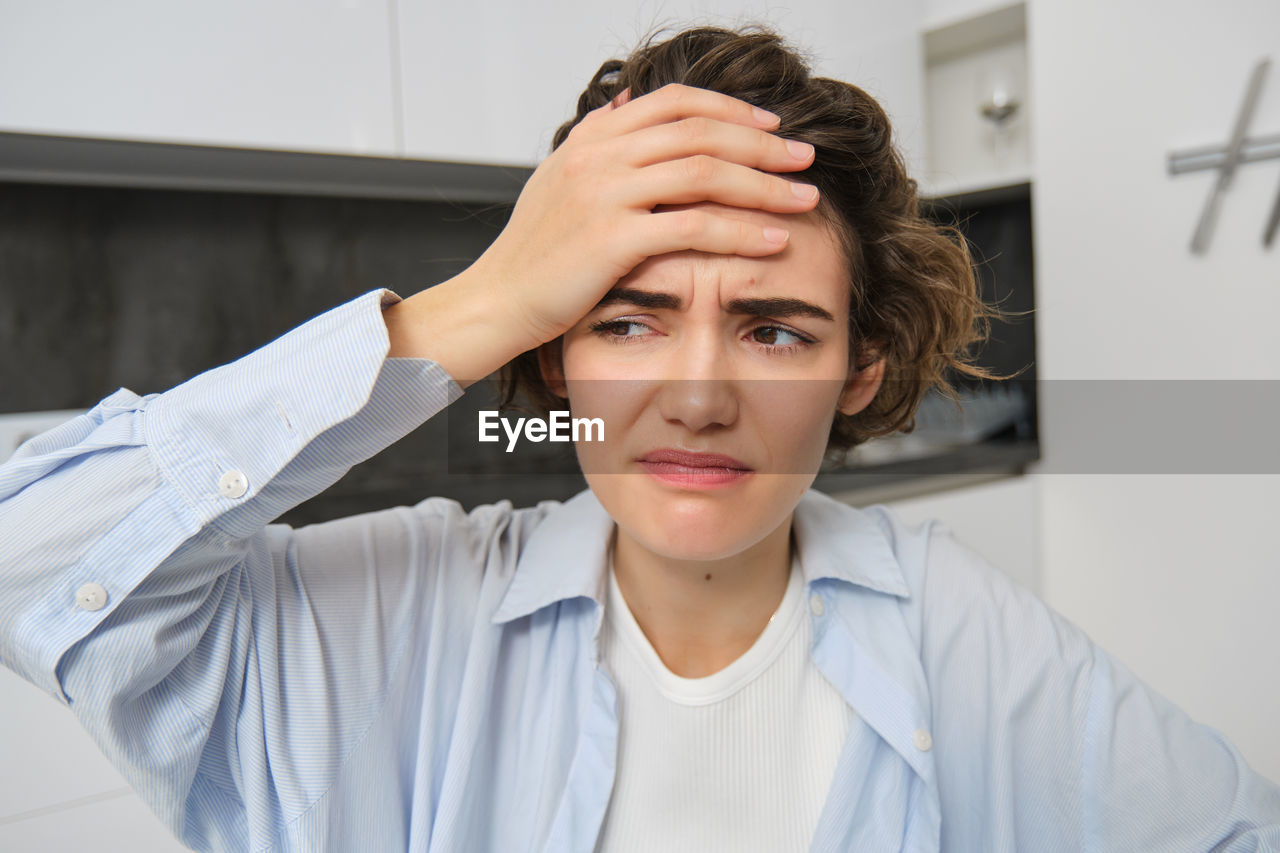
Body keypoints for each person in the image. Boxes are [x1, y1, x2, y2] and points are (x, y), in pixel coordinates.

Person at [2, 22, 1277, 853]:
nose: (698, 395)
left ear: (856, 372)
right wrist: (475, 302)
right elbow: (33, 563)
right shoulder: (389, 625)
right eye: (629, 319)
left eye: (775, 329)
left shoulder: (957, 630)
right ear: (552, 351)